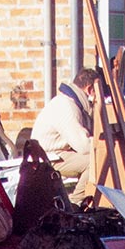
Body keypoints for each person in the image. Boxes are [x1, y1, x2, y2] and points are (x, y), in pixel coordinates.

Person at [33, 66, 101, 202]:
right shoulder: (68, 107)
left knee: (95, 157)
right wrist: (105, 144)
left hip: (54, 153)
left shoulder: (67, 102)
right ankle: (76, 202)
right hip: (48, 158)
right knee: (95, 161)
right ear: (90, 90)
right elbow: (83, 146)